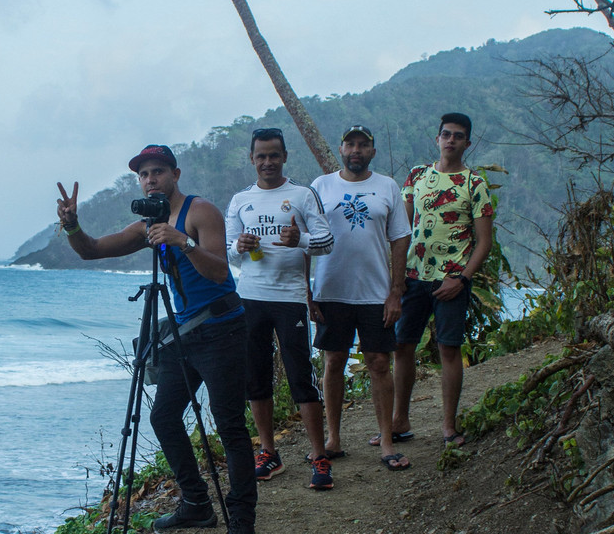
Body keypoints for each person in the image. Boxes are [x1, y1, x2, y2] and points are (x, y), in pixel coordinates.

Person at [56, 144, 256, 534]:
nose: (151, 180)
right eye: (144, 174)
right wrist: (73, 225)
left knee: (230, 424)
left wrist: (183, 241)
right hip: (185, 334)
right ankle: (196, 504)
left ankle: (242, 517)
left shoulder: (200, 212)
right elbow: (91, 251)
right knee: (163, 416)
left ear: (175, 175)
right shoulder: (148, 226)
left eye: (158, 172)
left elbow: (220, 273)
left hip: (222, 330)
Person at [224, 128, 336, 490]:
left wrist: (301, 239)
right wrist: (239, 246)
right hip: (251, 298)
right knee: (255, 378)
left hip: (290, 300)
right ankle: (268, 452)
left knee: (301, 376)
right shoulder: (241, 200)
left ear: (285, 156)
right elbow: (226, 249)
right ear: (252, 159)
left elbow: (327, 241)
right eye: (261, 156)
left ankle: (319, 455)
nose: (268, 162)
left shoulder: (302, 195)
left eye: (274, 155)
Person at [309, 125, 412, 471]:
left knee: (379, 363)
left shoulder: (387, 186)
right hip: (331, 290)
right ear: (341, 149)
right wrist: (307, 292)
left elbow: (400, 239)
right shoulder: (321, 186)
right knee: (333, 361)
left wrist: (396, 291)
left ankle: (387, 441)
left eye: (363, 144)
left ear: (372, 151)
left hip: (375, 293)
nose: (356, 150)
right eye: (350, 144)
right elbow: (306, 238)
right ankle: (333, 440)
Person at [393, 112, 494, 448]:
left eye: (458, 136)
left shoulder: (474, 184)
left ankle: (449, 426)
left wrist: (462, 279)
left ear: (467, 143)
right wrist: (395, 278)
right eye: (446, 134)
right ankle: (399, 421)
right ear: (437, 139)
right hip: (412, 277)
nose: (451, 140)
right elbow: (401, 230)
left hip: (451, 281)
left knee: (448, 349)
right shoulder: (417, 176)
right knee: (402, 346)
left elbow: (484, 242)